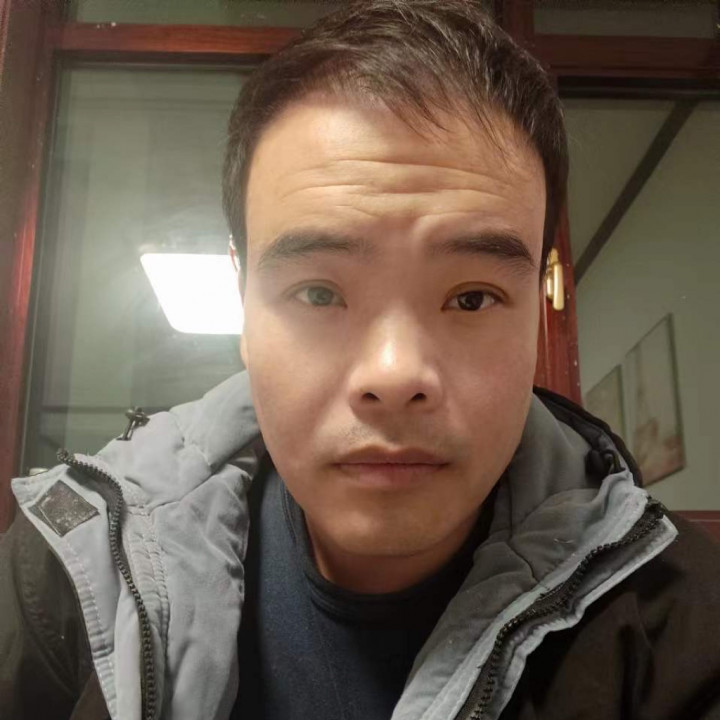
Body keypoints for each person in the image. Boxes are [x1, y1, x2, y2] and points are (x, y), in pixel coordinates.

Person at [2, 1, 719, 719]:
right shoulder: (74, 570)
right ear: (243, 302)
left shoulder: (682, 627)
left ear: (539, 304)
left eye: (472, 298)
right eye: (319, 292)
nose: (394, 374)